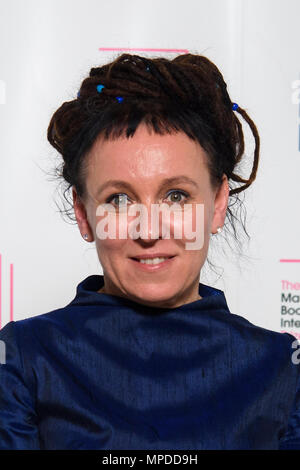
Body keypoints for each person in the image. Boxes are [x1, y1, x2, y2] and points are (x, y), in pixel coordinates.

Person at [0, 52, 300, 450]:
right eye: (119, 199)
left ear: (219, 201)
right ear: (84, 214)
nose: (149, 229)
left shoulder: (283, 369)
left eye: (176, 196)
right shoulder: (23, 360)